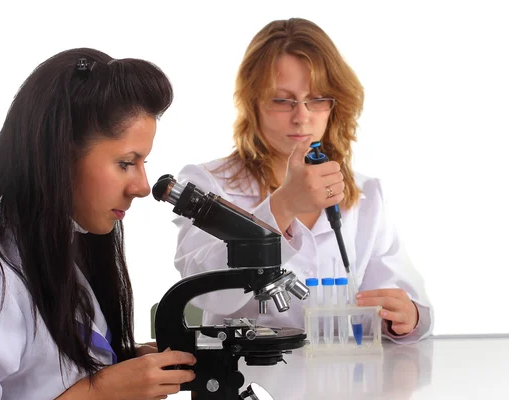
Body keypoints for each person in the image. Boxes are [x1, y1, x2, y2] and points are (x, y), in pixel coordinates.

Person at [0, 48, 196, 399]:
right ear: (61, 155)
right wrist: (99, 392)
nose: (141, 187)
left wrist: (120, 367)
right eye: (126, 163)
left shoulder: (53, 251)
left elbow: (41, 375)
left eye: (143, 163)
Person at [172, 18, 433, 344]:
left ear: (335, 104)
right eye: (282, 100)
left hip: (344, 383)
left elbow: (402, 303)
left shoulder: (366, 195)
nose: (302, 116)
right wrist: (283, 206)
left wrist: (406, 318)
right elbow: (206, 294)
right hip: (253, 381)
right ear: (253, 103)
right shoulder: (208, 184)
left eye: (318, 98)